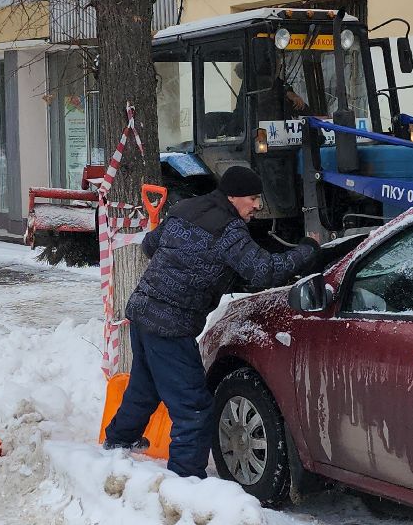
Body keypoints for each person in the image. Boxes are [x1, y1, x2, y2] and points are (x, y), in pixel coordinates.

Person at [104, 166, 319, 478]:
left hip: (142, 310)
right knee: (194, 408)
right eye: (252, 198)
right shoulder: (229, 231)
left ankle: (118, 443)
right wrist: (308, 250)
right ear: (233, 197)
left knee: (145, 387)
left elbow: (150, 245)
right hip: (170, 324)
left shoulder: (185, 208)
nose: (258, 205)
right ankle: (185, 480)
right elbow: (265, 271)